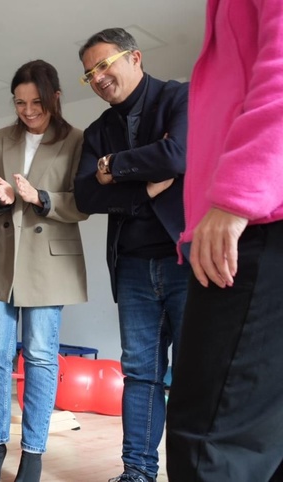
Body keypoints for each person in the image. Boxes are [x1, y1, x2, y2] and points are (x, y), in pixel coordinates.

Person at [166, 1, 283, 480]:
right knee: (262, 445)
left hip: (257, 228)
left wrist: (237, 196)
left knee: (212, 447)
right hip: (255, 221)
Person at [73, 28, 190, 482]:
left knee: (192, 373)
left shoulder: (178, 97)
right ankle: (137, 473)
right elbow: (84, 195)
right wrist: (142, 183)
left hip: (185, 259)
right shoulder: (99, 129)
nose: (99, 78)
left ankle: (190, 470)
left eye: (104, 65)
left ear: (135, 57)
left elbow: (177, 155)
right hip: (133, 267)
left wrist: (113, 168)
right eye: (90, 74)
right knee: (141, 375)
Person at [0, 59, 88, 482]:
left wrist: (40, 197)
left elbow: (82, 202)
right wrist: (0, 198)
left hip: (49, 262)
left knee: (40, 357)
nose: (28, 110)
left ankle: (33, 454)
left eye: (36, 102)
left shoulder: (77, 140)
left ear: (55, 97)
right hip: (0, 256)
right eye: (20, 103)